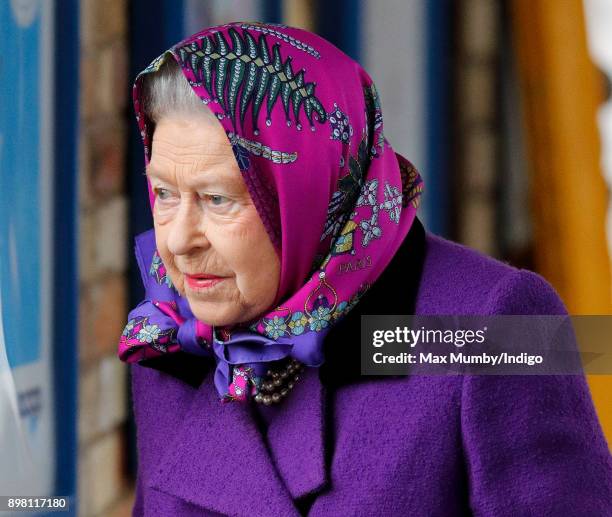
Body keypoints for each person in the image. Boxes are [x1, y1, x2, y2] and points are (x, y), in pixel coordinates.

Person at [118, 21, 612, 516]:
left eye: (217, 199)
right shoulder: (172, 337)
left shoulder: (500, 323)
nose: (178, 241)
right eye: (164, 193)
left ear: (309, 190)